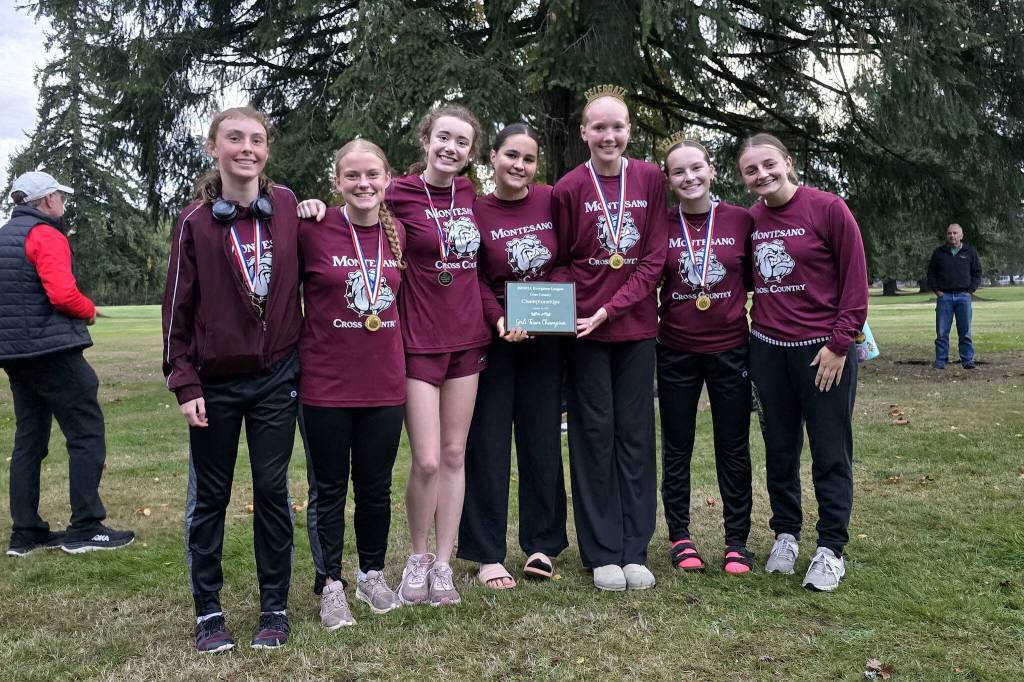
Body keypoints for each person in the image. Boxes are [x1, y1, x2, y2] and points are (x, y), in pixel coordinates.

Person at [162, 106, 302, 651]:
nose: (247, 147)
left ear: (267, 151)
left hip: (275, 377)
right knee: (212, 497)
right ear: (212, 147)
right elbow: (177, 308)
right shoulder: (194, 221)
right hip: (215, 383)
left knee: (271, 490)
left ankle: (274, 607)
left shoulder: (287, 206)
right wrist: (185, 383)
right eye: (235, 138)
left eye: (257, 139)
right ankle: (209, 611)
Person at [737, 133, 867, 592]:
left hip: (823, 352)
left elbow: (854, 283)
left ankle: (830, 549)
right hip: (769, 349)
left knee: (830, 451)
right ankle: (786, 535)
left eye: (769, 164)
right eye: (751, 170)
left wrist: (839, 343)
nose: (762, 175)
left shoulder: (828, 208)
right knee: (780, 450)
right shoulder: (751, 220)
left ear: (788, 162)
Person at [551, 85, 668, 591]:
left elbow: (654, 258)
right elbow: (557, 261)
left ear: (629, 131)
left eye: (617, 126)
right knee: (592, 436)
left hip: (635, 328)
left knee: (636, 436)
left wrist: (610, 308)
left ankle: (634, 548)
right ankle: (600, 551)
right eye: (599, 127)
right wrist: (578, 312)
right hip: (583, 333)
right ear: (584, 133)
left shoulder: (650, 179)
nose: (609, 135)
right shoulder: (567, 188)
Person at [297, 140, 407, 628]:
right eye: (353, 176)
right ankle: (330, 584)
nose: (364, 184)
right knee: (327, 488)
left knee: (376, 488)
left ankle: (371, 573)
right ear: (337, 181)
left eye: (372, 176)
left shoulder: (396, 231)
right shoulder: (313, 228)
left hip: (384, 383)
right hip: (325, 383)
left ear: (387, 179)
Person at [385, 104, 491, 606]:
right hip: (417, 341)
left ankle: (445, 565)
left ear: (471, 155)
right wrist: (310, 208)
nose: (451, 148)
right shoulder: (397, 193)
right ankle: (418, 556)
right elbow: (352, 215)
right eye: (443, 137)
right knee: (425, 460)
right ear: (426, 139)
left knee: (453, 454)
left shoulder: (472, 195)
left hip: (467, 339)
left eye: (462, 142)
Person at [457, 123, 568, 590]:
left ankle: (542, 544)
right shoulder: (476, 209)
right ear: (493, 159)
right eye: (511, 156)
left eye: (528, 159)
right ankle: (486, 553)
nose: (519, 166)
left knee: (543, 440)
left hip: (547, 338)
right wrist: (499, 318)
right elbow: (475, 274)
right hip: (497, 339)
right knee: (488, 443)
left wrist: (551, 301)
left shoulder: (551, 201)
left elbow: (568, 259)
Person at [1, 171, 135, 557]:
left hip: (15, 355)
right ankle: (86, 527)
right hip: (52, 350)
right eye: (60, 196)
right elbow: (62, 294)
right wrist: (89, 310)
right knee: (86, 431)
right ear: (46, 201)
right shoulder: (45, 235)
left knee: (30, 439)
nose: (63, 203)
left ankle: (25, 533)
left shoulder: (4, 237)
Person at [656, 138, 755, 575]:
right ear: (669, 179)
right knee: (677, 446)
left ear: (711, 169)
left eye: (696, 168)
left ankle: (737, 541)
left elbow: (757, 279)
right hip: (675, 348)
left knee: (732, 446)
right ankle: (680, 535)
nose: (689, 177)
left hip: (731, 348)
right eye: (679, 172)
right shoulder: (660, 223)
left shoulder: (741, 219)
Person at [926, 223, 982, 369]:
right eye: (950, 233)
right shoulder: (939, 253)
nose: (952, 236)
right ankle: (941, 360)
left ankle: (967, 360)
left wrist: (970, 291)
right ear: (947, 235)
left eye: (955, 233)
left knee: (965, 332)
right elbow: (931, 274)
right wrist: (937, 291)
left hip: (963, 297)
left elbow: (977, 273)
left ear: (961, 235)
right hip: (944, 297)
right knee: (942, 332)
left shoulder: (970, 252)